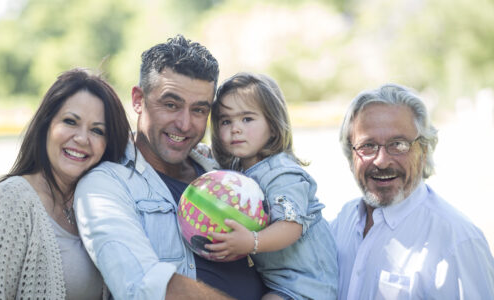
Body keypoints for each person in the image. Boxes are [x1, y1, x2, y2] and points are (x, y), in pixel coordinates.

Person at [74, 35, 267, 299]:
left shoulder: (222, 167)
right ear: (138, 100)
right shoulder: (104, 186)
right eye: (171, 105)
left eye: (199, 110)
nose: (185, 124)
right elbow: (143, 285)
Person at [0, 68, 131, 299]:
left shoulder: (100, 205)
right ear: (46, 125)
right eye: (70, 121)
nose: (81, 139)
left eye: (97, 130)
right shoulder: (9, 201)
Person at [331, 83, 494, 299]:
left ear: (424, 150)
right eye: (367, 145)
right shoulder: (341, 223)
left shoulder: (457, 242)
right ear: (350, 155)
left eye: (398, 144)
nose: (381, 161)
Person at [207, 72, 338, 300]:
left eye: (247, 119)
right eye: (226, 121)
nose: (235, 128)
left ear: (274, 125)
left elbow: (291, 225)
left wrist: (251, 242)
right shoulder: (239, 169)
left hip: (307, 285)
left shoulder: (282, 174)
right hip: (277, 282)